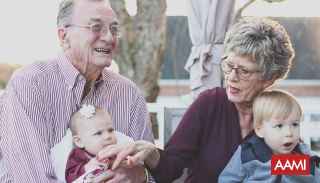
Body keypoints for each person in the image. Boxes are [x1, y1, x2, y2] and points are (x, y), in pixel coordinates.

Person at [96, 17, 296, 183]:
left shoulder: (280, 111)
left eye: (244, 71)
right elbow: (170, 168)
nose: (232, 77)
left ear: (269, 78)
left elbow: (301, 166)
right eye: (228, 65)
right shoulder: (210, 103)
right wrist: (151, 153)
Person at [0, 0, 154, 182]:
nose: (109, 38)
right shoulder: (30, 85)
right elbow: (32, 178)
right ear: (64, 36)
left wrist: (140, 176)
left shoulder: (129, 94)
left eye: (114, 29)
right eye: (96, 27)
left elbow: (149, 170)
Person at [218, 90, 320, 183]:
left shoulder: (303, 154)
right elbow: (226, 180)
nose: (289, 132)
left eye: (295, 124)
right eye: (279, 126)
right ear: (260, 130)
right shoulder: (248, 152)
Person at [65, 105, 117, 183]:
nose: (108, 136)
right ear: (79, 141)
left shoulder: (117, 151)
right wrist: (86, 168)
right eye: (98, 133)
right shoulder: (78, 155)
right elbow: (69, 177)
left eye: (110, 130)